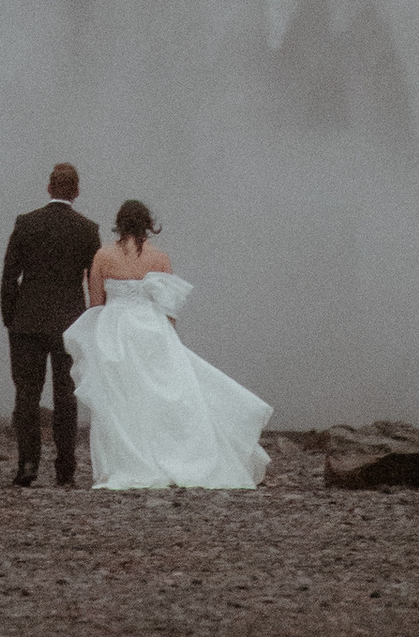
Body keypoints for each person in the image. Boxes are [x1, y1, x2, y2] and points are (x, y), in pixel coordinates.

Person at [62, 197, 270, 490]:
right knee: (159, 396)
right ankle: (169, 455)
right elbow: (169, 309)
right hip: (151, 329)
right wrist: (167, 338)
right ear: (148, 225)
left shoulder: (103, 256)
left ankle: (126, 462)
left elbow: (96, 303)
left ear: (119, 224)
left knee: (121, 399)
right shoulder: (159, 258)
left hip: (114, 332)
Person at [0, 162, 101, 486]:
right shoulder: (87, 230)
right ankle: (65, 469)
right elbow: (95, 281)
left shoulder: (26, 223)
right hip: (69, 323)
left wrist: (10, 318)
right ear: (77, 191)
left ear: (49, 188)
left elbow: (9, 276)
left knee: (26, 395)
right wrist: (92, 321)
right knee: (66, 397)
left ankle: (28, 465)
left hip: (27, 322)